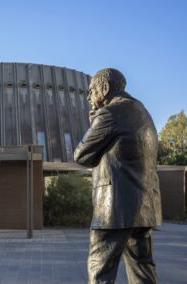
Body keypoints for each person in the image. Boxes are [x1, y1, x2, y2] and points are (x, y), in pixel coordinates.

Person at [74, 68, 162, 284]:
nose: (89, 97)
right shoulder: (143, 113)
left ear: (104, 89)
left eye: (92, 91)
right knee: (142, 269)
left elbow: (82, 156)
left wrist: (95, 118)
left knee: (100, 268)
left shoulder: (109, 114)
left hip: (114, 210)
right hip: (144, 208)